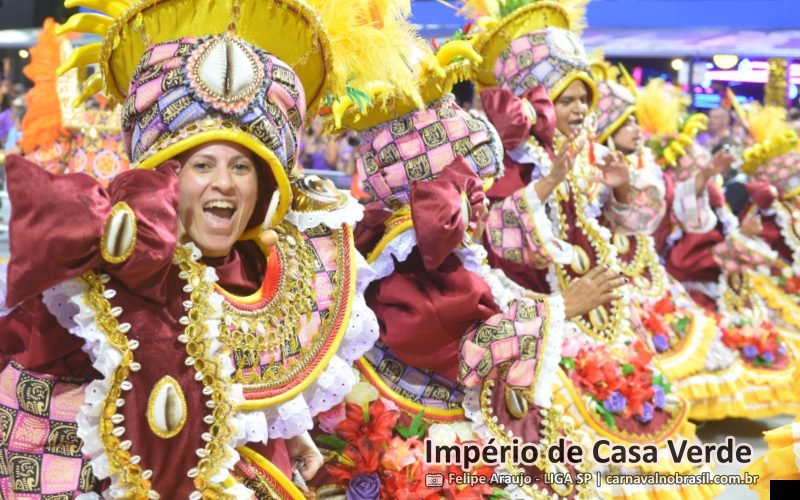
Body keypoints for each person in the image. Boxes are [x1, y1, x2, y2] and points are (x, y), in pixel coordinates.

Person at [0, 0, 394, 496]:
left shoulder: (284, 274)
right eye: (203, 165)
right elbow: (30, 440)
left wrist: (295, 440)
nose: (224, 184)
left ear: (266, 187)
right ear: (166, 178)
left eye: (243, 167)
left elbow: (259, 395)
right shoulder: (93, 287)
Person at [314, 34, 619, 497]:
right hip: (422, 423)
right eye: (473, 187)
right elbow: (461, 349)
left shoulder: (415, 243)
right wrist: (560, 310)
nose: (481, 201)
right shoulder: (406, 258)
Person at [456, 1, 719, 497]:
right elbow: (491, 236)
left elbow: (629, 225)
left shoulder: (582, 154)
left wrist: (620, 188)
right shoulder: (497, 159)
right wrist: (545, 186)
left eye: (584, 98)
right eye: (567, 98)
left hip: (597, 308)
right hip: (531, 314)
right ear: (538, 101)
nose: (578, 109)